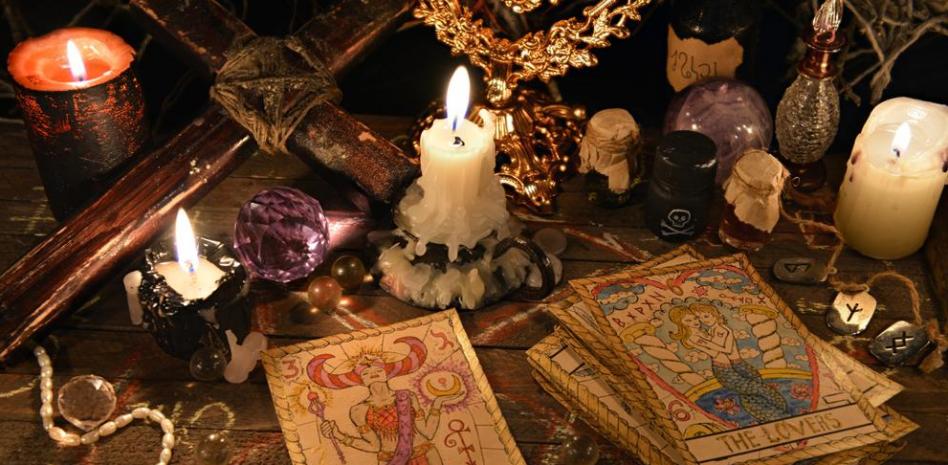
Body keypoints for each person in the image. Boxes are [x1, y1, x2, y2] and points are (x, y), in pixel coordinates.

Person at [308, 336, 461, 465]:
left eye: (378, 370)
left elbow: (428, 433)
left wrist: (437, 404)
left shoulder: (407, 396)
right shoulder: (358, 411)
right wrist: (338, 435)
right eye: (366, 373)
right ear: (361, 380)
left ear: (387, 373)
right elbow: (374, 446)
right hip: (391, 460)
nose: (373, 373)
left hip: (426, 455)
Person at [668, 303, 788, 423]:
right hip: (724, 371)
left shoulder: (708, 331)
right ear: (681, 323)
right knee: (756, 388)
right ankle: (778, 413)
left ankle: (776, 414)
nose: (696, 321)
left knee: (752, 390)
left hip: (732, 365)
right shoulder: (693, 337)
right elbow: (718, 352)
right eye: (689, 320)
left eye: (695, 318)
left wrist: (711, 341)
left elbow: (724, 347)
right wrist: (711, 343)